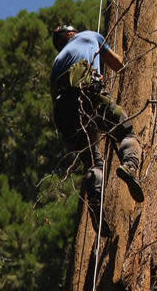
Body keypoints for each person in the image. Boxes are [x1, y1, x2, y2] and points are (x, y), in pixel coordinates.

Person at [50, 25, 144, 235]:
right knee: (124, 133)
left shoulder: (57, 63)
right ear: (71, 34)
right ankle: (129, 166)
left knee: (93, 162)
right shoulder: (89, 36)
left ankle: (94, 199)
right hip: (90, 94)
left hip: (65, 114)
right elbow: (119, 65)